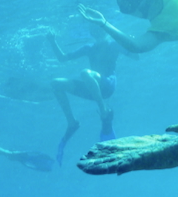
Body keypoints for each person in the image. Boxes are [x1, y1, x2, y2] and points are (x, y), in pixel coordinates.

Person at [49, 32, 135, 164]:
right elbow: (63, 58)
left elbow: (136, 56)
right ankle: (72, 122)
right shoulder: (88, 48)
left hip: (107, 86)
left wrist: (129, 43)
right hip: (92, 87)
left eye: (97, 28)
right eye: (92, 28)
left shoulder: (114, 45)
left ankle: (103, 111)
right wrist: (52, 41)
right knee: (56, 83)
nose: (96, 32)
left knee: (85, 73)